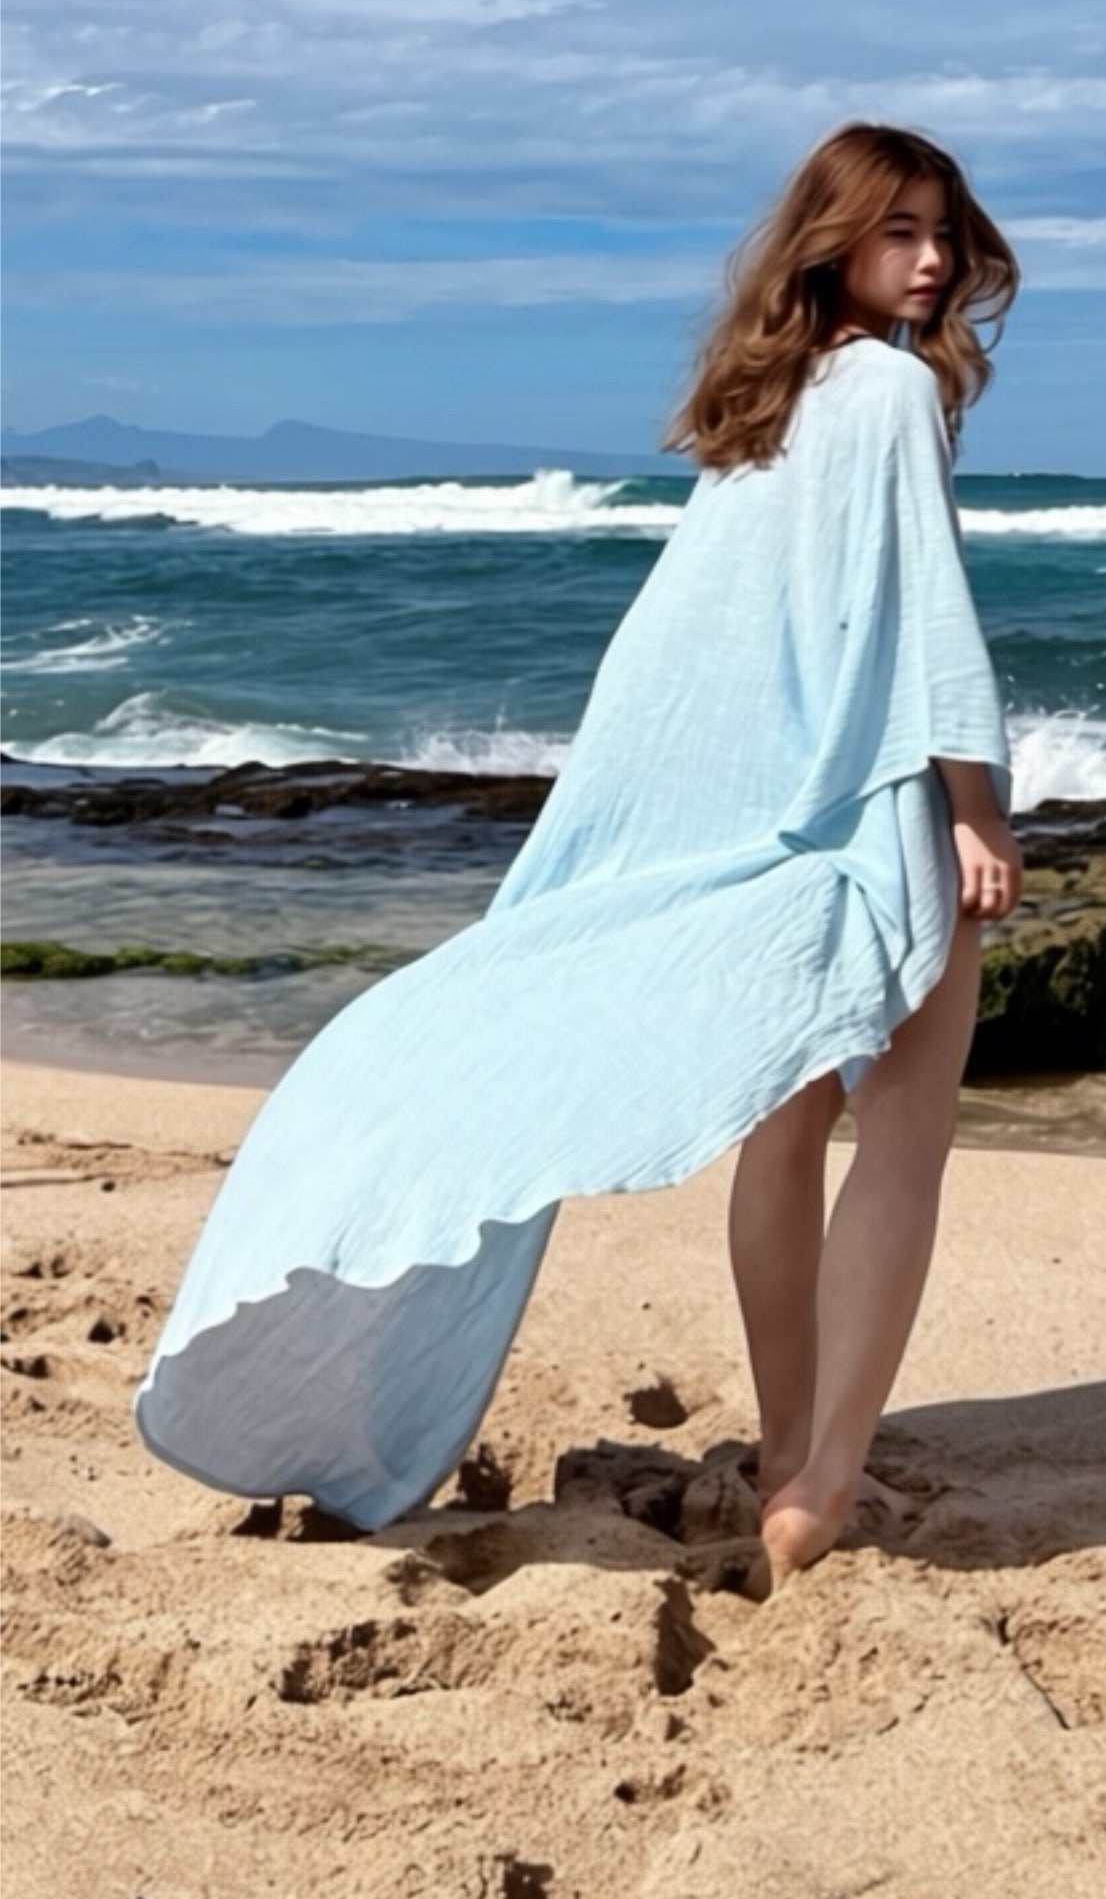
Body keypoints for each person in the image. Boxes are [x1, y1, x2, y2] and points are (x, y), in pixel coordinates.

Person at [133, 120, 1024, 1590]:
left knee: (786, 1132)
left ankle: (791, 1431)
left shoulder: (769, 405)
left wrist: (661, 820)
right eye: (899, 232)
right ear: (833, 242)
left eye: (943, 232)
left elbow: (679, 656)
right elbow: (930, 617)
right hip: (879, 802)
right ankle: (823, 1478)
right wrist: (975, 809)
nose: (930, 261)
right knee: (905, 1137)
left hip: (763, 818)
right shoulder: (884, 392)